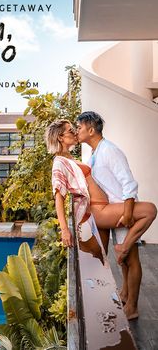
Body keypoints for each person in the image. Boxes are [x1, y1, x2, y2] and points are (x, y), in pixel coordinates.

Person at [45, 119, 157, 319]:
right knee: (149, 210)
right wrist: (64, 229)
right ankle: (100, 310)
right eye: (70, 130)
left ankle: (108, 305)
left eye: (75, 128)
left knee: (99, 261)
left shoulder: (73, 156)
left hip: (104, 208)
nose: (74, 132)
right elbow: (58, 197)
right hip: (98, 210)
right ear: (61, 137)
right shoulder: (59, 162)